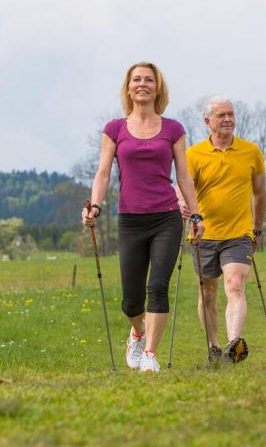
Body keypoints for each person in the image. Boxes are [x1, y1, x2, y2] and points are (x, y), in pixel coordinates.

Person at [82, 62, 203, 373]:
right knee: (131, 300)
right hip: (131, 220)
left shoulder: (174, 129)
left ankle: (150, 354)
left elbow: (185, 177)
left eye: (149, 80)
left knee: (158, 286)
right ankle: (137, 332)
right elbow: (103, 172)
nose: (143, 84)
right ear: (128, 87)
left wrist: (196, 213)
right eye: (137, 80)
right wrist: (94, 205)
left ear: (158, 87)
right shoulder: (115, 129)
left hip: (166, 217)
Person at [178, 96, 266, 363]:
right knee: (208, 292)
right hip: (203, 234)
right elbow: (182, 186)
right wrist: (182, 204)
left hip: (239, 234)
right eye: (221, 115)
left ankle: (234, 344)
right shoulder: (193, 154)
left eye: (231, 114)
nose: (228, 119)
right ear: (207, 122)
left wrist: (257, 229)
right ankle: (214, 346)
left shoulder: (251, 152)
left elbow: (260, 194)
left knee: (235, 284)